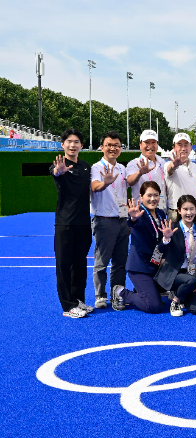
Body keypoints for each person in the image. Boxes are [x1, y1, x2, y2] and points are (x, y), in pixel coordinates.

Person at [51, 129, 93, 318]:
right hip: (65, 223)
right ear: (63, 144)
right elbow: (55, 173)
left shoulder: (86, 166)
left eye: (76, 141)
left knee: (80, 264)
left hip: (83, 223)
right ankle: (67, 306)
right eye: (69, 141)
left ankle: (78, 300)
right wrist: (58, 172)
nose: (73, 145)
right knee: (64, 264)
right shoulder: (58, 165)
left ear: (81, 146)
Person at [111, 181, 167, 314]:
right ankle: (121, 292)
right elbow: (134, 223)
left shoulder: (161, 214)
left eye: (156, 195)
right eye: (149, 195)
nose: (153, 199)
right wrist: (133, 218)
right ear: (141, 197)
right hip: (140, 267)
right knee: (154, 306)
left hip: (155, 265)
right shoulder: (139, 213)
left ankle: (143, 291)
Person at [90, 130, 129, 310]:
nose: (113, 148)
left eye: (116, 145)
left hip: (122, 220)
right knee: (102, 262)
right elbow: (95, 187)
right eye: (109, 145)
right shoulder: (96, 168)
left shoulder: (122, 168)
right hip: (104, 221)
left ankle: (117, 294)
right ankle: (100, 295)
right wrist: (105, 182)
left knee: (120, 262)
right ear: (102, 147)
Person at [154, 194, 196, 317]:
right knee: (191, 280)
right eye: (185, 209)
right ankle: (176, 300)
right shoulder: (172, 229)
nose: (189, 213)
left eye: (192, 209)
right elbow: (159, 250)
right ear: (179, 210)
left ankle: (182, 294)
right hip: (174, 274)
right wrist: (166, 239)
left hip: (192, 275)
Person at [165, 132, 196, 224]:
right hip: (176, 213)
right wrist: (174, 165)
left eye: (186, 145)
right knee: (174, 238)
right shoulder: (168, 164)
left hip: (194, 212)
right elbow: (170, 170)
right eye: (179, 145)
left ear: (191, 147)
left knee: (195, 238)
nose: (183, 148)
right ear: (174, 148)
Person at [126, 129, 168, 213]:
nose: (150, 146)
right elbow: (129, 181)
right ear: (140, 145)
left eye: (153, 142)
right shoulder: (134, 163)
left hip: (161, 210)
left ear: (157, 144)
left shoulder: (162, 163)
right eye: (147, 142)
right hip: (142, 211)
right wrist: (139, 173)